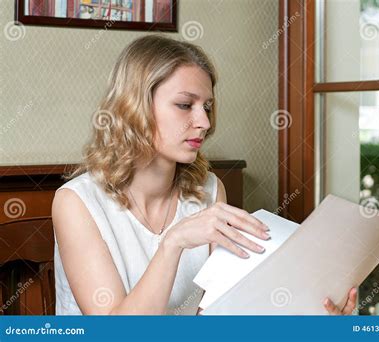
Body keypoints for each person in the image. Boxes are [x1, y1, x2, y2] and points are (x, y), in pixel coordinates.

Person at [52, 34, 357, 315]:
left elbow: (215, 318)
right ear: (134, 107)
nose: (204, 122)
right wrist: (173, 243)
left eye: (207, 107)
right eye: (185, 105)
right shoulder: (76, 203)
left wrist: (313, 315)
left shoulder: (209, 190)